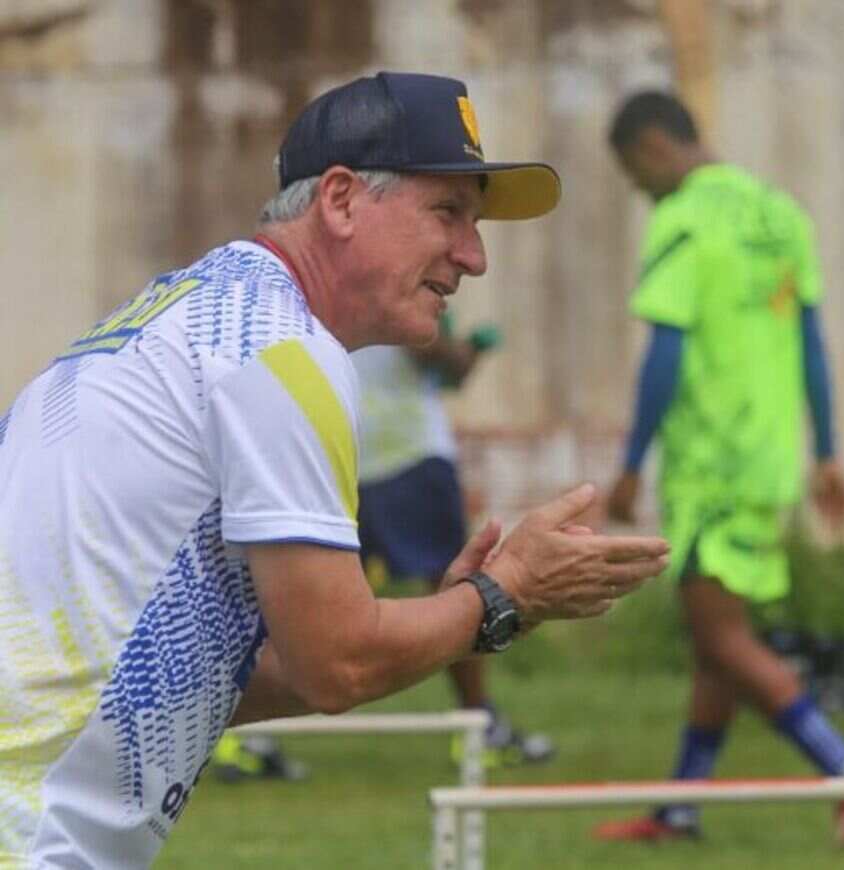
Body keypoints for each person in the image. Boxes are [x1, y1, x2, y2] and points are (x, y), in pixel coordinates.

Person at [0, 72, 669, 867]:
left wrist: (465, 615)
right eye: (447, 213)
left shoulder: (187, 316)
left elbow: (197, 675)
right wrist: (505, 593)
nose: (476, 256)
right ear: (343, 200)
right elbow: (335, 663)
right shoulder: (285, 352)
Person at [592, 91, 844, 847]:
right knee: (715, 637)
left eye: (634, 174)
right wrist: (825, 451)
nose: (640, 191)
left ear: (654, 146)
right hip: (770, 457)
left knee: (721, 636)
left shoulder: (683, 220)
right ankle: (681, 807)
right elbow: (812, 345)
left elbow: (666, 351)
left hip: (713, 462)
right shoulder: (780, 215)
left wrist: (631, 464)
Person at [353, 321, 554, 766]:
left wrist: (463, 356)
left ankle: (245, 735)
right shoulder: (400, 267)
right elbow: (428, 351)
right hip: (404, 454)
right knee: (459, 587)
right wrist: (461, 350)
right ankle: (480, 726)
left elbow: (446, 374)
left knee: (299, 592)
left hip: (349, 453)